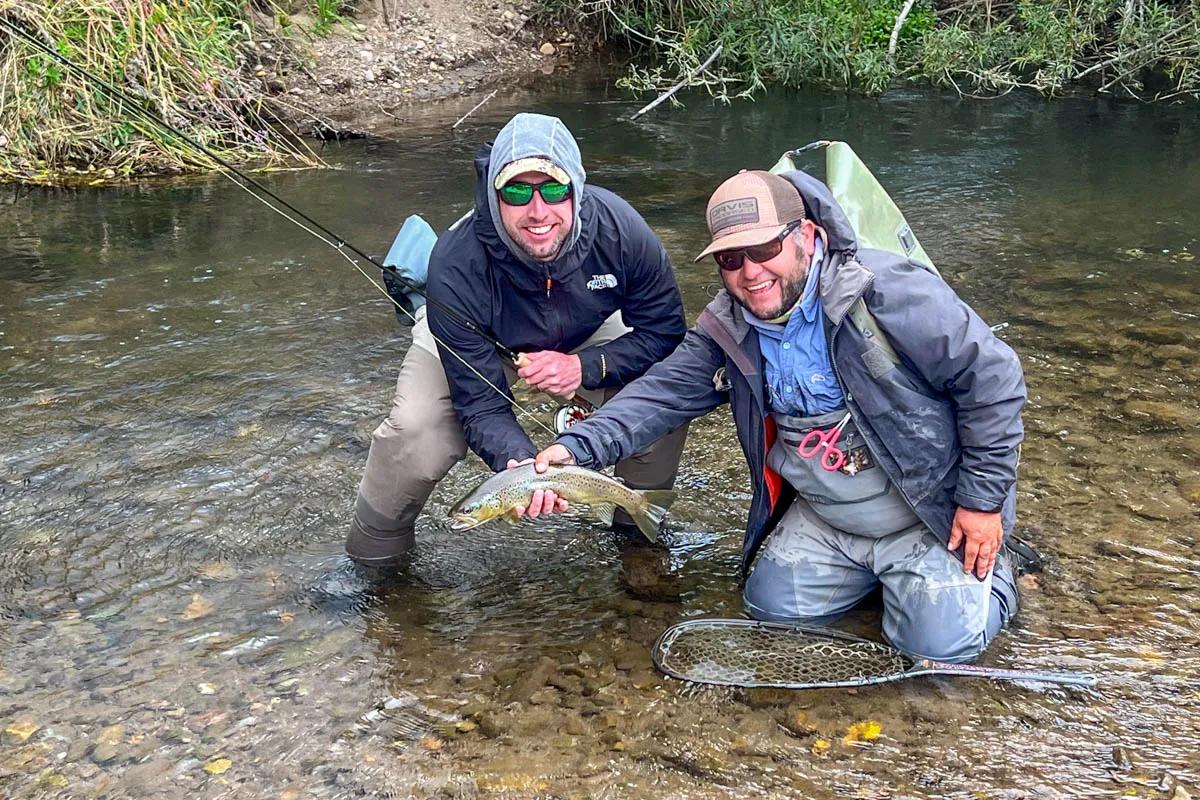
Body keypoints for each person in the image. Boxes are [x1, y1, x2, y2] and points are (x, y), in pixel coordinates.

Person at [527, 168, 1027, 663]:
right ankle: (887, 584)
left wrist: (981, 503)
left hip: (927, 515)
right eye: (730, 258)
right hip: (829, 517)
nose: (750, 272)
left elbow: (995, 381)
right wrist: (576, 449)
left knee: (937, 651)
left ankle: (994, 576)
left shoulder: (889, 293)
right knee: (771, 614)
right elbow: (660, 395)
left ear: (807, 237)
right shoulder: (727, 327)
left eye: (765, 249)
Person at [346, 112, 690, 566]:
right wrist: (522, 466)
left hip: (586, 331)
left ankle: (635, 539)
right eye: (516, 191)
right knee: (416, 430)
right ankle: (373, 562)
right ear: (494, 195)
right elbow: (480, 403)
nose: (538, 211)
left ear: (576, 189)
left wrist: (585, 368)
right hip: (473, 334)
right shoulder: (454, 262)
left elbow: (665, 334)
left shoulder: (622, 231)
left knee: (661, 396)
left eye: (552, 189)